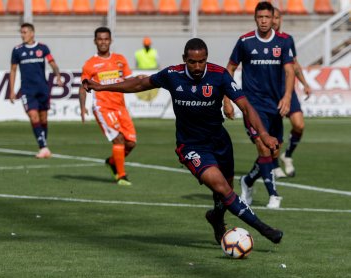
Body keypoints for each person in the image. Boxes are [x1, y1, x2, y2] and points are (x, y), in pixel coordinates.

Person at [83, 37, 284, 245]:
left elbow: (246, 107)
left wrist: (263, 134)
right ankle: (264, 229)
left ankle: (216, 218)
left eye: (202, 61)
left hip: (220, 141)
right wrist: (101, 87)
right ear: (184, 59)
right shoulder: (173, 75)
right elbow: (139, 83)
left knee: (224, 193)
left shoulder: (219, 75)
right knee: (223, 188)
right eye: (192, 62)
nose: (197, 67)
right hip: (191, 146)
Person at [224, 1, 295, 209]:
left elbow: (290, 71)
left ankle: (247, 181)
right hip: (252, 106)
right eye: (260, 17)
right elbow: (229, 69)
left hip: (275, 106)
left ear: (273, 18)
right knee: (264, 149)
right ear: (255, 18)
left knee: (273, 150)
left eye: (267, 17)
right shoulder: (245, 41)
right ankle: (274, 195)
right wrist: (226, 100)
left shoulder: (282, 42)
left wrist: (287, 97)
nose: (264, 21)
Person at [79, 27, 136, 186]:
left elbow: (130, 80)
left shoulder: (120, 59)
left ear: (110, 40)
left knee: (131, 143)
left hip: (120, 107)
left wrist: (141, 79)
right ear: (95, 41)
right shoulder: (90, 64)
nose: (103, 42)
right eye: (100, 39)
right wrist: (82, 106)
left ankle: (112, 162)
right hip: (102, 107)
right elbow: (83, 86)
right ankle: (121, 175)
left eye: (106, 39)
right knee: (118, 139)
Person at [9, 23, 63, 159]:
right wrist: (11, 90)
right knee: (33, 116)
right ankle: (43, 147)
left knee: (43, 118)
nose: (23, 35)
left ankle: (44, 145)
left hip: (43, 88)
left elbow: (52, 63)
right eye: (21, 32)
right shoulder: (17, 50)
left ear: (32, 33)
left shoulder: (42, 48)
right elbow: (13, 70)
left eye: (25, 32)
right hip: (27, 90)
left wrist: (58, 76)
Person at [272, 7, 311, 178]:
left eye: (277, 17)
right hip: (271, 92)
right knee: (274, 133)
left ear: (281, 19)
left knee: (299, 125)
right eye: (271, 17)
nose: (274, 21)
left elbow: (294, 63)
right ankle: (273, 165)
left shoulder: (287, 40)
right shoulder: (261, 42)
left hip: (288, 90)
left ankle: (287, 156)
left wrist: (305, 83)